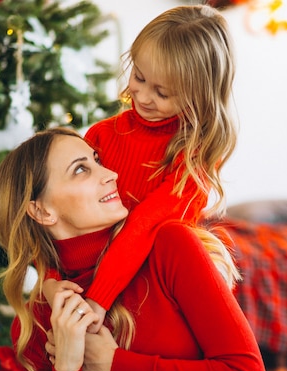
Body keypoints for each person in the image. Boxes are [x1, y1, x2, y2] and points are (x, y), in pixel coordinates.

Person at [0, 127, 267, 371]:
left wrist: (115, 365)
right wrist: (68, 369)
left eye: (97, 160)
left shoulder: (168, 247)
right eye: (81, 170)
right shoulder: (36, 323)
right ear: (42, 211)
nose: (111, 174)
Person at [42, 4, 239, 333]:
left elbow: (142, 227)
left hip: (152, 302)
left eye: (162, 92)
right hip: (91, 293)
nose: (143, 96)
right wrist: (49, 280)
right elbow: (56, 213)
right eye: (139, 77)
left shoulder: (193, 160)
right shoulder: (101, 136)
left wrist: (98, 302)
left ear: (200, 96)